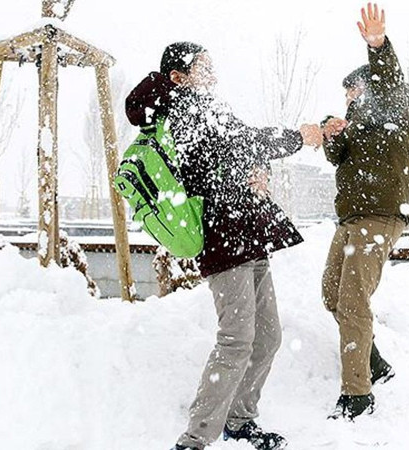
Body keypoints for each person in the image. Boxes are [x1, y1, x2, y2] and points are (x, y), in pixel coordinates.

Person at [126, 42, 323, 450]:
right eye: (203, 67)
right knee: (236, 339)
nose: (213, 75)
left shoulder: (207, 107)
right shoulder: (181, 110)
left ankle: (240, 419)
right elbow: (235, 145)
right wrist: (295, 138)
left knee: (267, 336)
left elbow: (239, 148)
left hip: (248, 235)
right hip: (223, 239)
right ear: (179, 76)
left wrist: (258, 170)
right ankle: (195, 439)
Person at [319, 3, 409, 420]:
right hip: (352, 219)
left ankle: (357, 395)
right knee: (332, 294)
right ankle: (374, 362)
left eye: (354, 92)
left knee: (353, 301)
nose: (349, 99)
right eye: (346, 95)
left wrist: (377, 45)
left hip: (379, 217)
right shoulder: (357, 125)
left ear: (371, 87)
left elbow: (390, 81)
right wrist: (331, 132)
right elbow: (337, 157)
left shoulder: (397, 107)